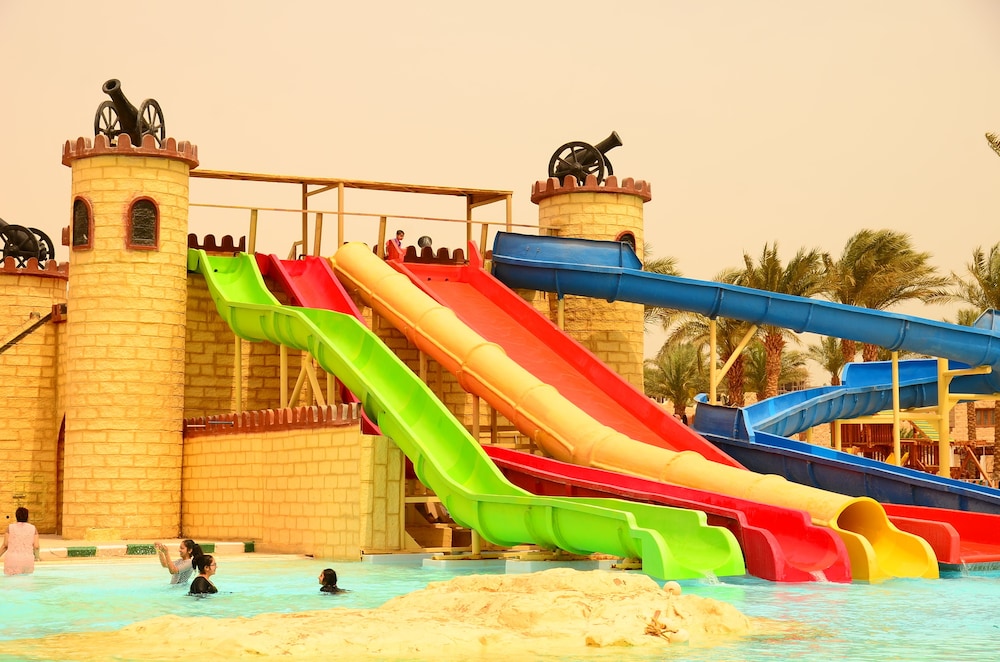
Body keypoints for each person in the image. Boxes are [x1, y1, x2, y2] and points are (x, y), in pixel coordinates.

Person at [0, 507, 40, 576]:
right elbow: (36, 546)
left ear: (16, 516)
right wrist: (37, 557)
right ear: (27, 517)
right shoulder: (33, 528)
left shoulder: (10, 528)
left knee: (11, 580)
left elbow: (5, 546)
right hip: (27, 560)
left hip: (12, 560)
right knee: (26, 580)